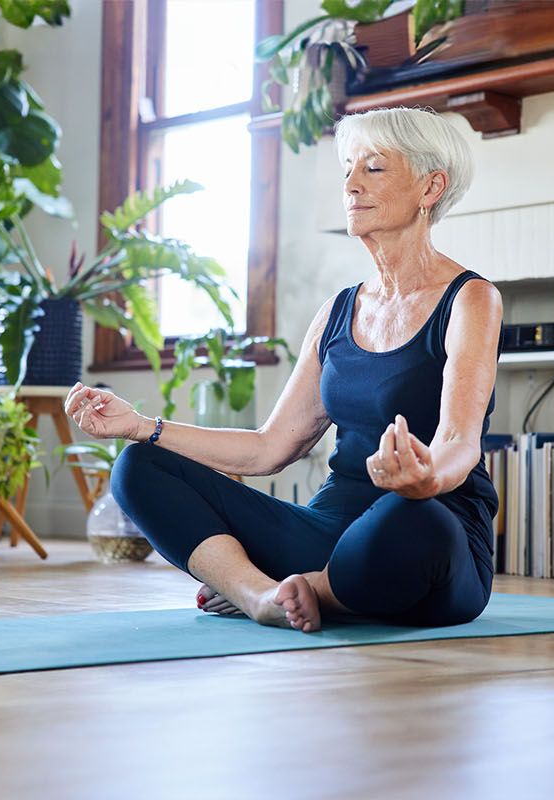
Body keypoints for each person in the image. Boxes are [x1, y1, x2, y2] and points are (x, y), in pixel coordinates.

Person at [64, 107, 501, 633]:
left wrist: (424, 479)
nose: (351, 185)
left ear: (431, 188)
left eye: (374, 169)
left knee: (407, 520)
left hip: (429, 533)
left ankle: (310, 589)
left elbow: (460, 441)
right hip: (328, 528)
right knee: (139, 466)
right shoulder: (339, 311)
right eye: (347, 170)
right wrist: (140, 426)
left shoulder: (470, 299)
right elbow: (269, 448)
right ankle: (260, 596)